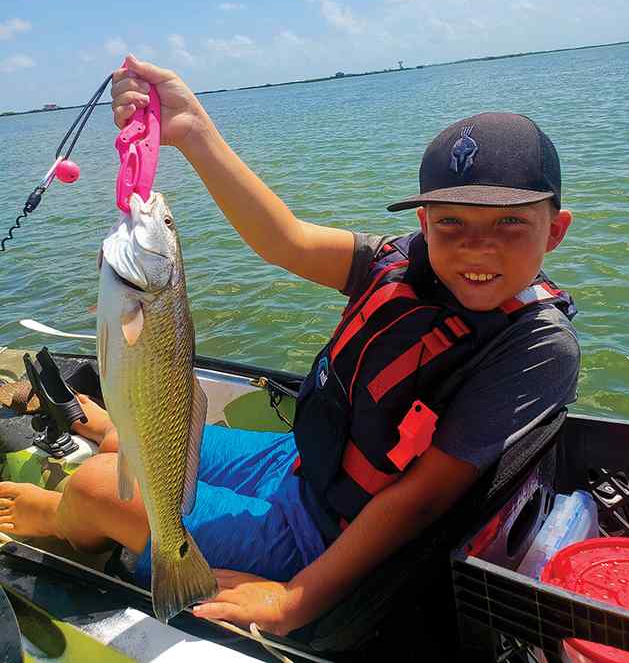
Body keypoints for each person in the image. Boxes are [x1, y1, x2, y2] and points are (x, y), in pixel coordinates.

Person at [0, 56, 579, 637]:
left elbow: (421, 500)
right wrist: (193, 131)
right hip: (300, 462)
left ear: (554, 230)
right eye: (452, 223)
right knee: (138, 440)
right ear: (424, 223)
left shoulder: (537, 346)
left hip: (330, 531)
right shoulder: (399, 261)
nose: (477, 249)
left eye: (510, 224)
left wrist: (295, 599)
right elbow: (286, 240)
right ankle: (105, 428)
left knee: (99, 486)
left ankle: (54, 515)